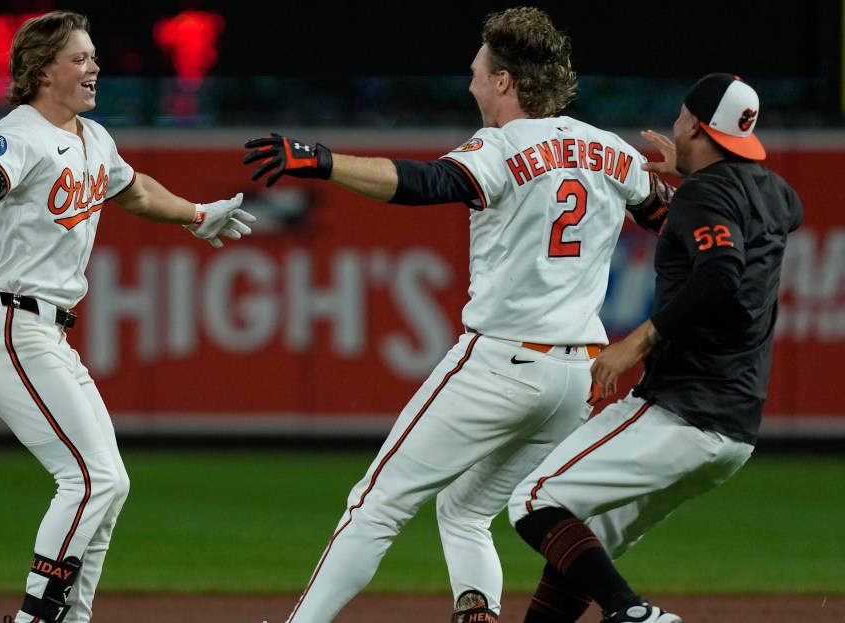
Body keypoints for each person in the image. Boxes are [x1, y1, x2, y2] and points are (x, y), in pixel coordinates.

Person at [242, 7, 671, 623]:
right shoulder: (611, 149)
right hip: (577, 376)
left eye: (478, 72)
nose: (470, 83)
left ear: (504, 81)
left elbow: (427, 183)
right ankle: (477, 612)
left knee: (376, 504)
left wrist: (324, 160)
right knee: (465, 510)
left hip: (501, 361)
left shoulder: (501, 145)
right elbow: (670, 221)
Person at [0, 11, 254, 623]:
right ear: (40, 70)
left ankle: (72, 617)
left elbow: (133, 189)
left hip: (48, 332)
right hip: (11, 327)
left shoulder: (92, 138)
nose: (94, 68)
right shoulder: (23, 132)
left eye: (93, 56)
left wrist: (195, 213)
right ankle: (37, 616)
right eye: (80, 57)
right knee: (91, 480)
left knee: (109, 484)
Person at [508, 73, 803, 623]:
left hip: (681, 409)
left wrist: (635, 344)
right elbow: (773, 211)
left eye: (680, 118)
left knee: (533, 499)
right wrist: (695, 176)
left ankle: (631, 612)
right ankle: (623, 608)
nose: (673, 126)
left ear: (693, 124)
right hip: (733, 433)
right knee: (584, 546)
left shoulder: (706, 193)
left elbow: (719, 274)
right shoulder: (775, 193)